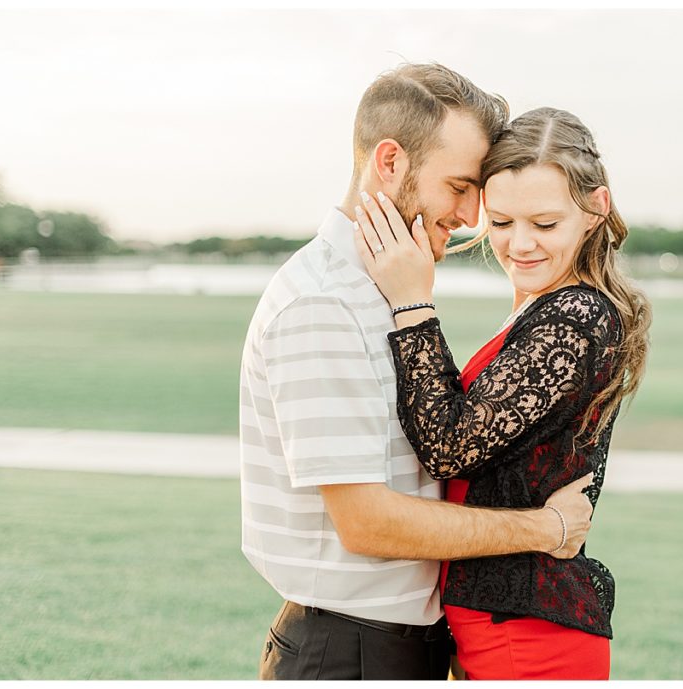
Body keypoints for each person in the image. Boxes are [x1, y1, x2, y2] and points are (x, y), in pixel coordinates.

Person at [238, 66, 596, 681]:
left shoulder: (382, 285)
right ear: (389, 162)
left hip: (396, 642)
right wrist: (544, 528)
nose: (468, 215)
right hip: (350, 650)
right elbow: (367, 521)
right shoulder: (323, 303)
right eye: (458, 186)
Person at [353, 107, 652, 680]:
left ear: (596, 210)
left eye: (545, 224)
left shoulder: (575, 316)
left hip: (528, 637)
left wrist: (413, 304)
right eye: (502, 222)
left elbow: (449, 446)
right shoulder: (541, 307)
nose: (520, 245)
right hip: (494, 623)